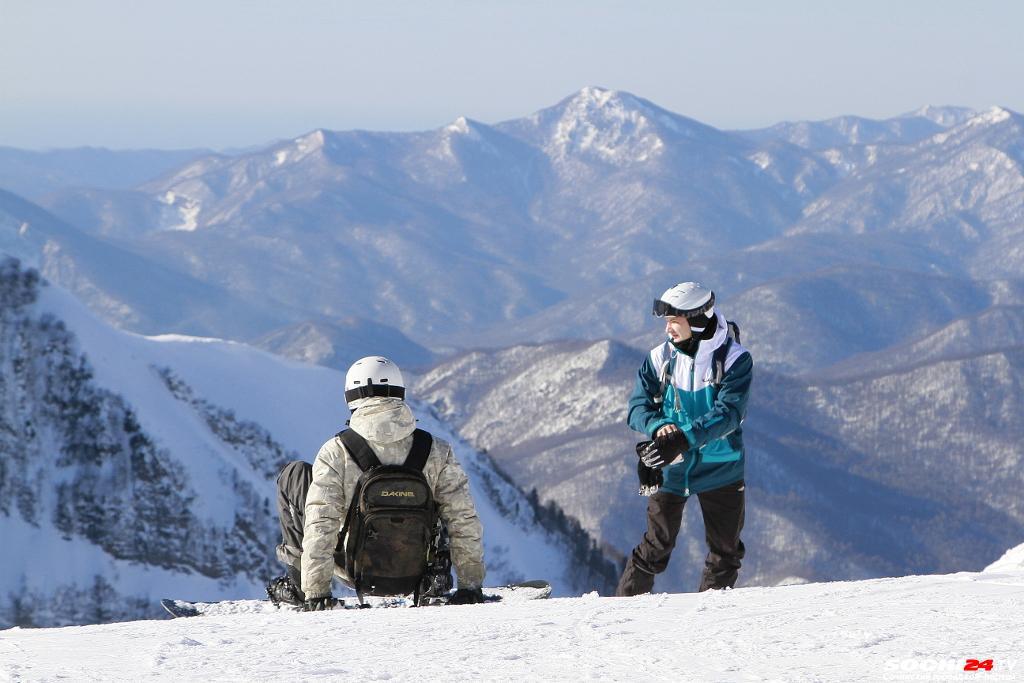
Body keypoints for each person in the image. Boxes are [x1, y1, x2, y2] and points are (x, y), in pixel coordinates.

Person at [267, 356, 486, 610]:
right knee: (446, 505)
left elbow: (321, 523)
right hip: (417, 568)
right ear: (400, 392)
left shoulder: (337, 451)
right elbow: (463, 519)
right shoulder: (436, 449)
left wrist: (317, 592)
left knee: (295, 475)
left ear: (351, 397)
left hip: (355, 568)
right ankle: (436, 577)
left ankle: (299, 587)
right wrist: (470, 586)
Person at [616, 282, 753, 596]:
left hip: (721, 468)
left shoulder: (735, 360)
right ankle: (621, 614)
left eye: (674, 321)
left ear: (696, 320)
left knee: (725, 553)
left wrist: (682, 438)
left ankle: (708, 618)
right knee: (654, 549)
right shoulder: (660, 357)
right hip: (672, 467)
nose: (667, 329)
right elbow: (636, 408)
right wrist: (659, 427)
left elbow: (729, 414)